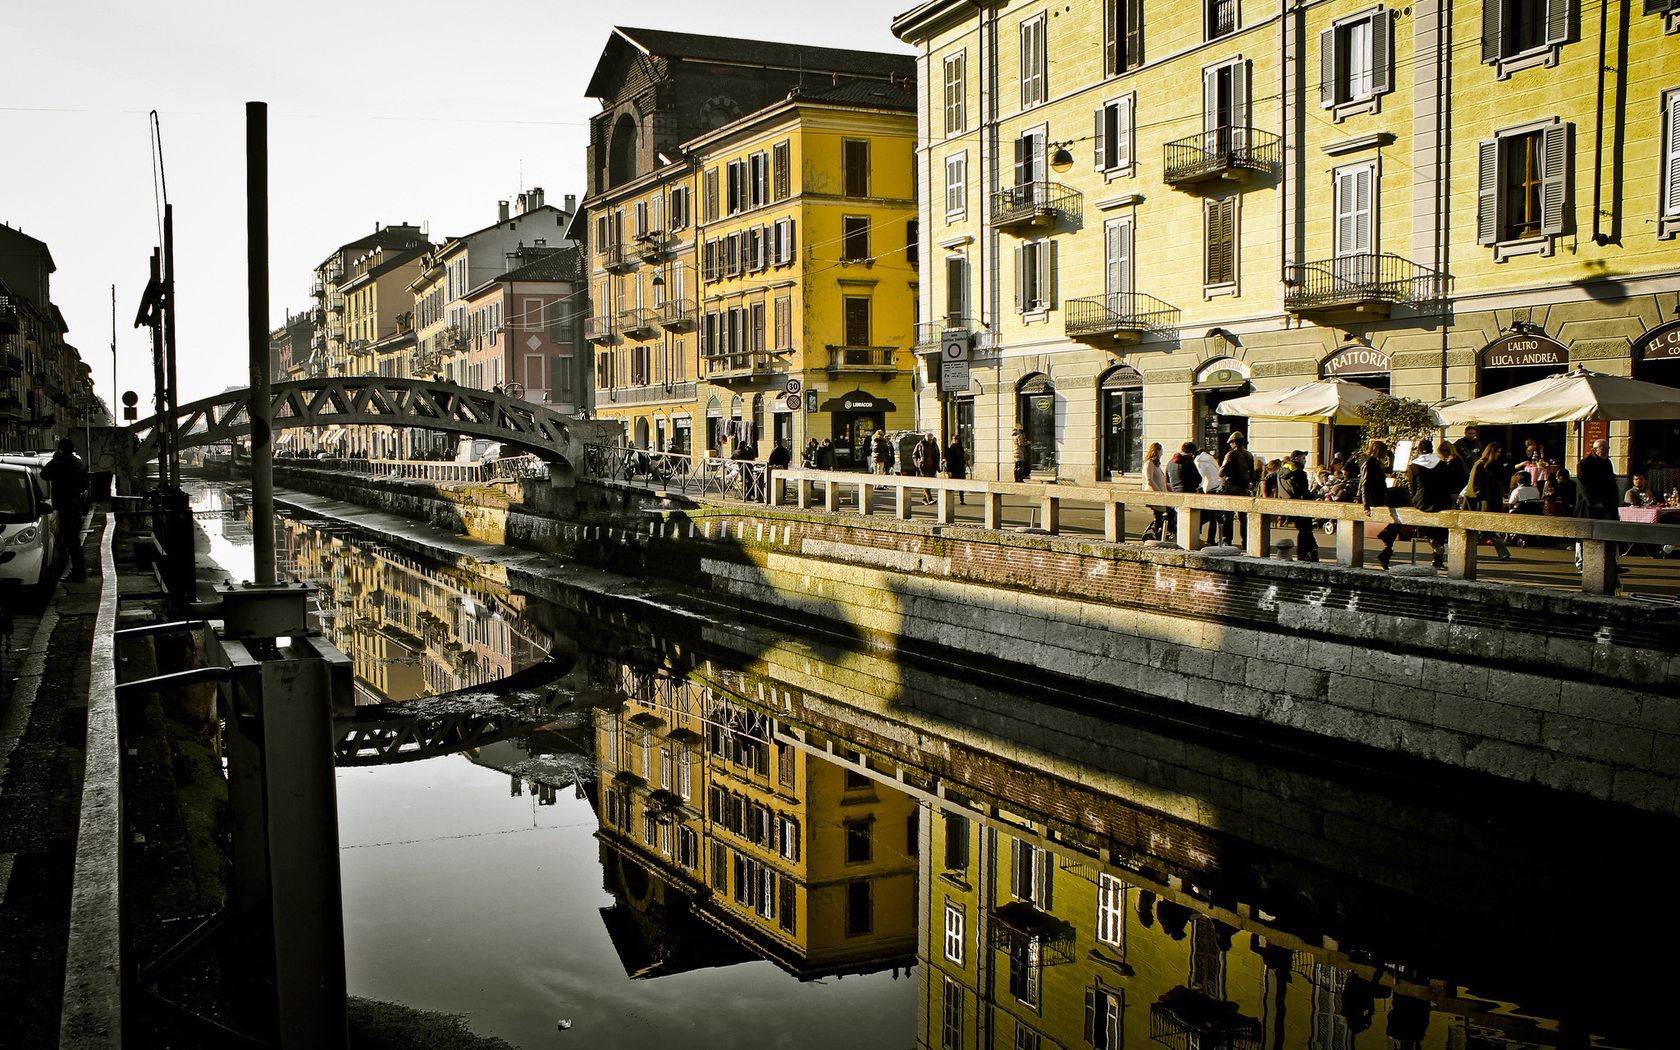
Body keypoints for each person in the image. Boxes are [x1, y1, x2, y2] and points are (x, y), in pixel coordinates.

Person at [42, 437, 88, 582]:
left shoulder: (59, 463)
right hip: (74, 505)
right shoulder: (77, 463)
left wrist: (55, 459)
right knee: (72, 541)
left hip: (63, 507)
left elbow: (44, 474)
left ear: (60, 449)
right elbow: (85, 483)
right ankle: (77, 571)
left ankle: (77, 573)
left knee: (67, 541)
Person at [1405, 439, 1450, 569]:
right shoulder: (1441, 463)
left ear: (1419, 450)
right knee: (1441, 527)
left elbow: (1412, 486)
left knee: (1423, 523)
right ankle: (1437, 559)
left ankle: (1431, 540)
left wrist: (1414, 498)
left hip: (1422, 499)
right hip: (1441, 499)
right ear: (1432, 449)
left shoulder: (1414, 465)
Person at [1576, 437, 1618, 572]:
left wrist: (1613, 501)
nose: (1605, 451)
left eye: (1607, 449)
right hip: (1589, 504)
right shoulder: (1584, 463)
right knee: (1585, 533)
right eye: (1603, 449)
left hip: (1607, 504)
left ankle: (1611, 562)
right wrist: (1594, 502)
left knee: (1609, 532)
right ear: (1595, 449)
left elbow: (1611, 482)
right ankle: (1582, 563)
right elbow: (1583, 486)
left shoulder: (1607, 463)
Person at [1464, 443, 1513, 560]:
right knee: (1485, 529)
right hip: (1482, 500)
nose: (1498, 455)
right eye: (1496, 452)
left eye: (1499, 453)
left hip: (1493, 499)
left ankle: (1468, 553)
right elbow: (1474, 486)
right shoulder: (1480, 465)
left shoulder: (1497, 465)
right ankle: (1502, 552)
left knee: (1487, 528)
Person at [1278, 450, 1320, 561]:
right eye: (1303, 458)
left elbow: (1267, 479)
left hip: (1287, 505)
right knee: (1305, 529)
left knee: (1304, 529)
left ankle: (1310, 550)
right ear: (1296, 458)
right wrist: (1313, 495)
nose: (1305, 461)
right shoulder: (1300, 473)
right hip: (1300, 505)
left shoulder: (1281, 471)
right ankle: (1305, 553)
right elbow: (1303, 492)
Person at [1362, 439, 1397, 569]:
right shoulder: (1369, 463)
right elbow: (1365, 484)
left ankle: (1387, 545)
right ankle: (1387, 542)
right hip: (1373, 498)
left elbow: (1390, 470)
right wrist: (1366, 505)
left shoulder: (1376, 463)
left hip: (1380, 496)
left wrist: (1391, 457)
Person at [1218, 432, 1254, 546]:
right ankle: (1246, 540)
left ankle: (1227, 540)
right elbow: (1253, 474)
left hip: (1231, 487)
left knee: (1228, 516)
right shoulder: (1249, 454)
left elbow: (1221, 472)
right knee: (1243, 517)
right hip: (1244, 488)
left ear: (1233, 443)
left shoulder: (1230, 455)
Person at [1195, 445, 1226, 544]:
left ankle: (1209, 539)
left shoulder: (1199, 461)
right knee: (1217, 518)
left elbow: (1201, 477)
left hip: (1208, 489)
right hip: (1217, 487)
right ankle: (1217, 539)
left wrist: (1199, 487)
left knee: (1208, 516)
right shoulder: (1211, 460)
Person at [1142, 442, 1169, 540]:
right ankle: (1157, 533)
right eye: (1161, 451)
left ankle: (1160, 531)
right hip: (1154, 494)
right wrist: (1159, 492)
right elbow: (1149, 480)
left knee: (1162, 514)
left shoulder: (1156, 465)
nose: (1162, 453)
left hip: (1161, 493)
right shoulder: (1149, 464)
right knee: (1158, 515)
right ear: (1156, 451)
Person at [912, 432, 940, 504]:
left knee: (930, 483)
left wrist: (938, 466)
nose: (930, 441)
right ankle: (930, 499)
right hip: (923, 467)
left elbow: (937, 455)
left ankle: (924, 499)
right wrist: (918, 464)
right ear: (926, 439)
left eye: (931, 439)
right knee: (926, 482)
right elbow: (914, 455)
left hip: (932, 466)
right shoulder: (920, 444)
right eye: (929, 440)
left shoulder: (935, 445)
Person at [943, 435, 968, 505]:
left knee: (961, 485)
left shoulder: (960, 448)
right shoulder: (951, 448)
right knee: (951, 485)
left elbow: (962, 458)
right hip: (954, 469)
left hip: (960, 468)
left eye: (956, 439)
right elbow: (949, 460)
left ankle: (962, 499)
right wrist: (949, 470)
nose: (955, 440)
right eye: (953, 439)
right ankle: (949, 499)